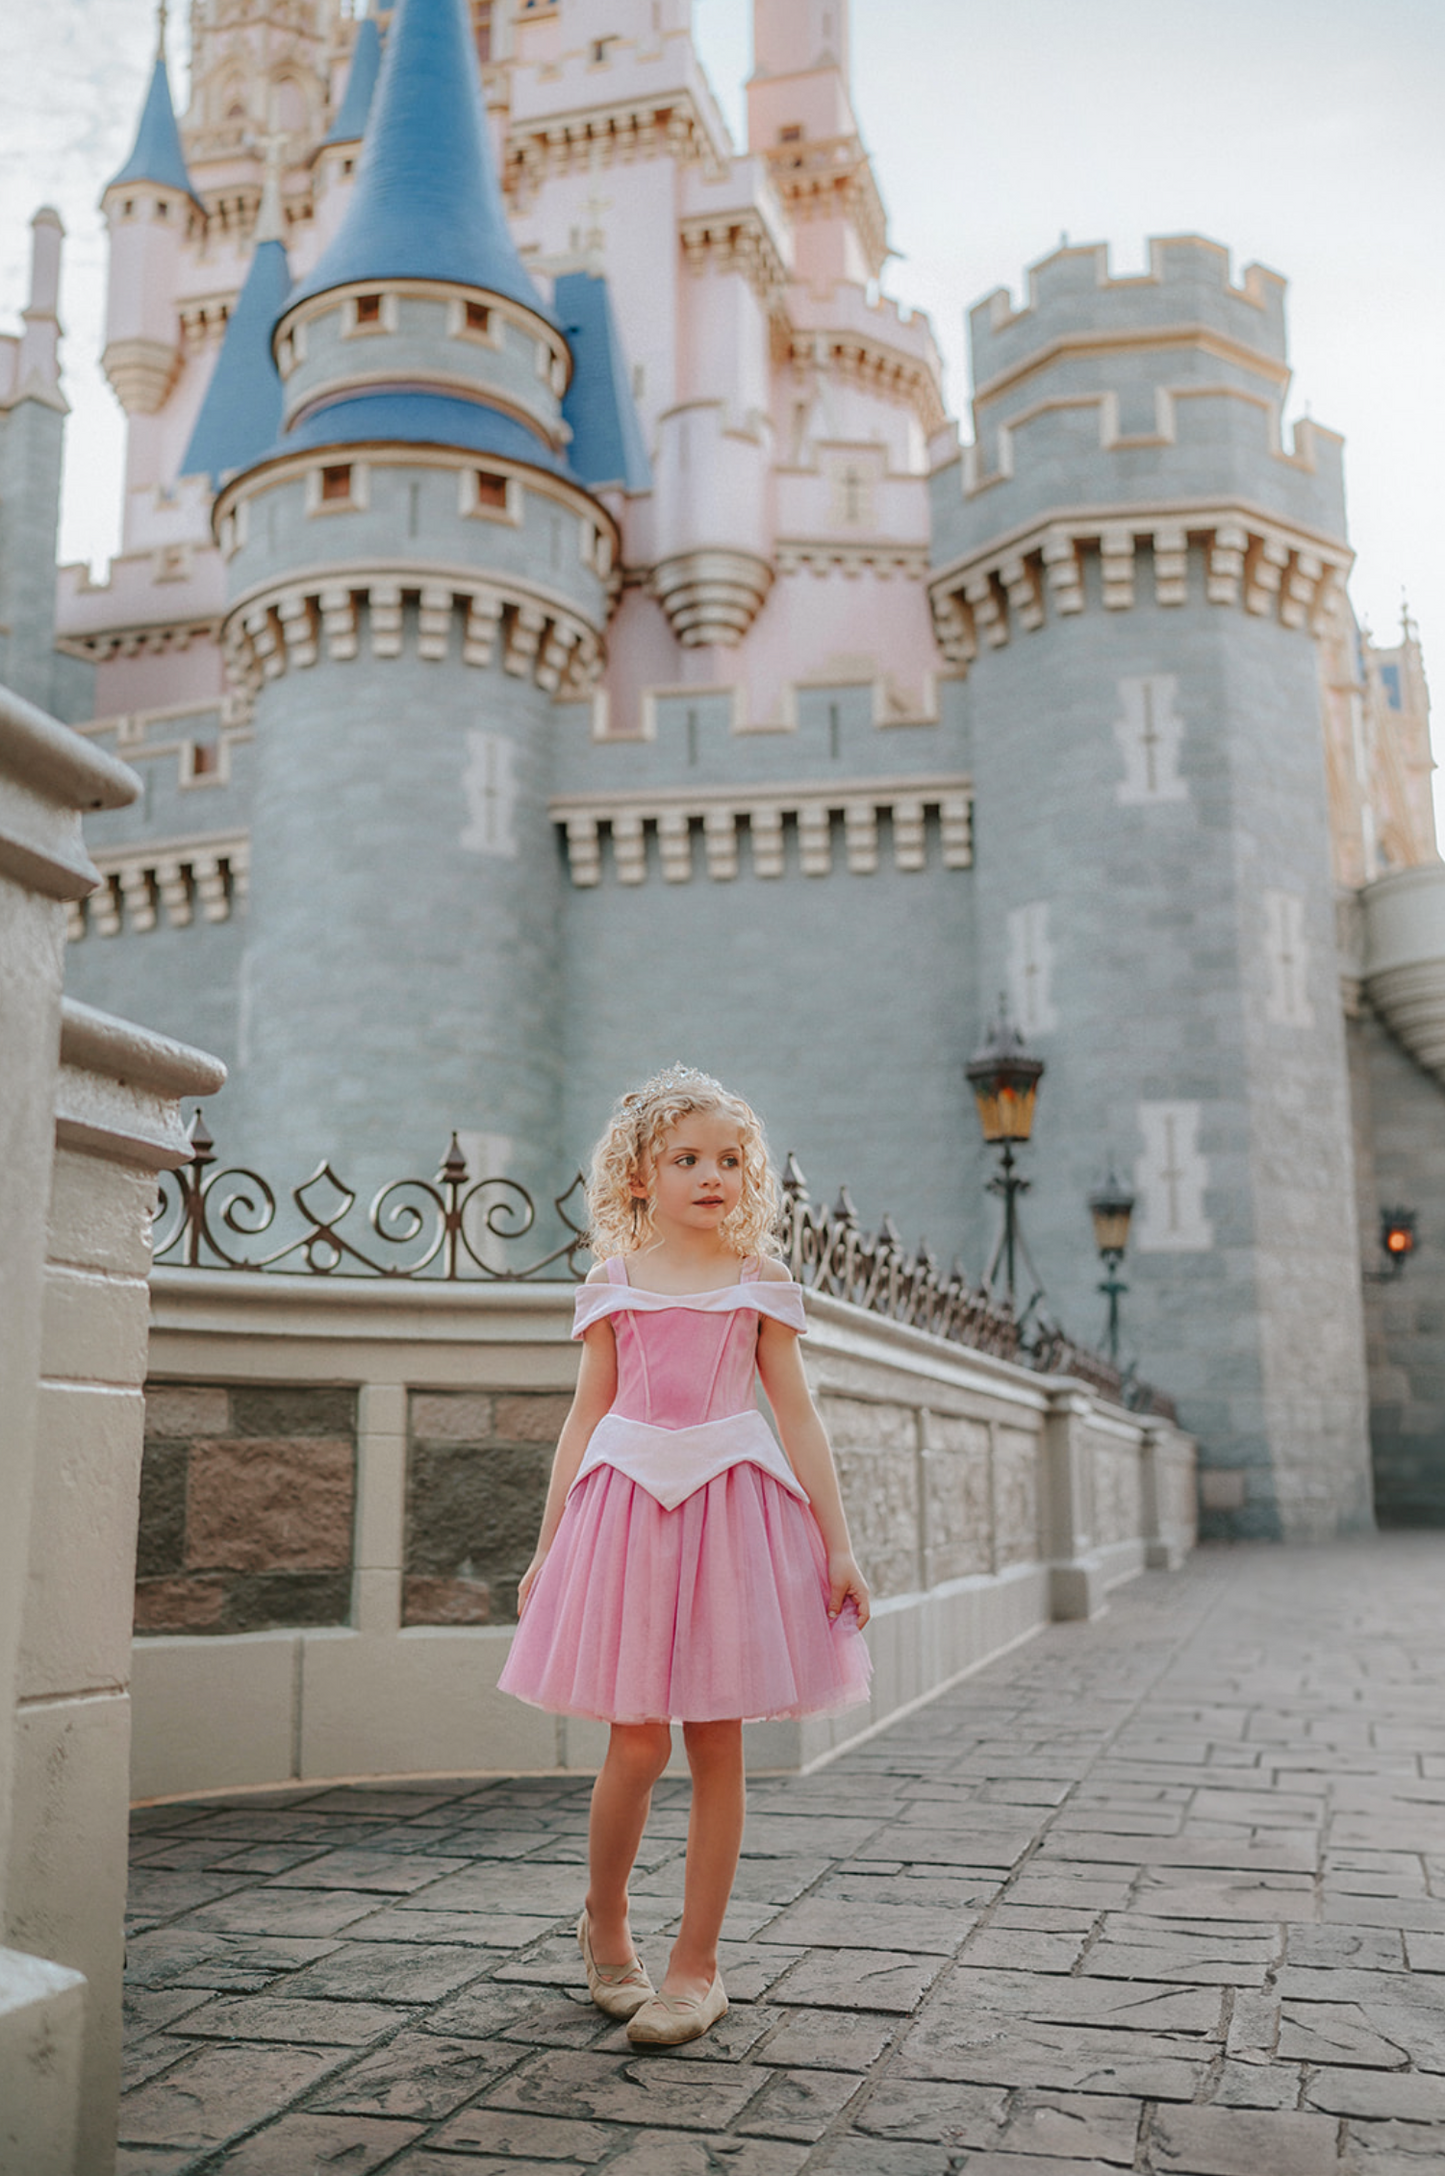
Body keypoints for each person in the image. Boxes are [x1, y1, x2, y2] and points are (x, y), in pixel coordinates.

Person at [498, 1063, 872, 2046]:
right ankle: (606, 1924)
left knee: (715, 1739)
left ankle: (696, 1966)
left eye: (730, 1159)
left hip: (731, 1517)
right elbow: (583, 1417)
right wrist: (545, 1551)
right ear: (637, 1178)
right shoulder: (612, 1284)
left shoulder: (761, 1286)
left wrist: (837, 1546)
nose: (714, 1175)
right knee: (635, 1740)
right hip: (624, 1516)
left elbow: (795, 1414)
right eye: (687, 1158)